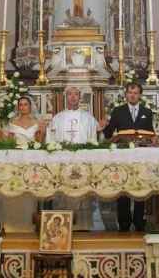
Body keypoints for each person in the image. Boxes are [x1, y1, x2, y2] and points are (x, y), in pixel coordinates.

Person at [47, 86, 103, 229]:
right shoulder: (58, 118)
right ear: (66, 97)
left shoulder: (88, 118)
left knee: (82, 195)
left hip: (83, 163)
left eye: (76, 94)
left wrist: (100, 131)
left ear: (80, 97)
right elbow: (50, 141)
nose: (73, 97)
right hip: (62, 163)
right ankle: (62, 226)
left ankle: (84, 226)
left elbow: (97, 140)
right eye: (70, 94)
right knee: (63, 195)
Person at [102, 82, 154, 232]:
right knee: (123, 188)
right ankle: (123, 223)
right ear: (126, 94)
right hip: (123, 155)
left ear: (140, 95)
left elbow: (150, 133)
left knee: (140, 188)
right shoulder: (118, 111)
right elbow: (109, 133)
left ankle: (139, 222)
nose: (133, 95)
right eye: (130, 92)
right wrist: (104, 127)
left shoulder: (147, 112)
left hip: (140, 155)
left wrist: (150, 139)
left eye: (136, 93)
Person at [0, 96, 46, 232]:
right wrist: (3, 136)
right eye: (21, 105)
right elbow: (9, 143)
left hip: (31, 159)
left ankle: (28, 225)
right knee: (14, 188)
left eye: (25, 104)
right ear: (18, 107)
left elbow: (40, 143)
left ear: (30, 107)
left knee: (29, 191)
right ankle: (10, 225)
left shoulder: (37, 122)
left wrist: (41, 133)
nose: (23, 107)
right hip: (15, 160)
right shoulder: (12, 122)